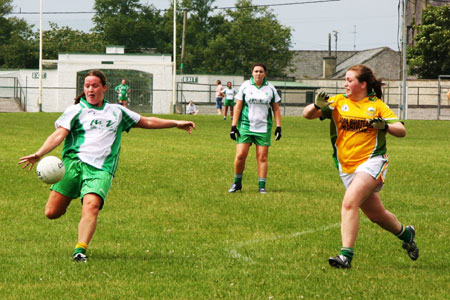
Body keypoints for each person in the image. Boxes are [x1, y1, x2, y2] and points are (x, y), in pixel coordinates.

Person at [18, 70, 196, 263]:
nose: (90, 89)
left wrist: (175, 122)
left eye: (95, 85)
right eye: (87, 86)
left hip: (101, 169)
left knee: (92, 206)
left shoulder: (117, 111)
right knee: (52, 213)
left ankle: (80, 251)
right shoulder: (75, 110)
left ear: (104, 88)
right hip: (73, 165)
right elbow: (59, 135)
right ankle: (72, 195)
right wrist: (39, 153)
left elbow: (146, 121)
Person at [303, 64, 419, 269]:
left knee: (349, 202)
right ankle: (407, 234)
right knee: (377, 215)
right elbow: (307, 115)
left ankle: (345, 256)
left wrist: (385, 126)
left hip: (373, 161)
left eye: (350, 80)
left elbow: (401, 130)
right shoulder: (338, 102)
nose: (345, 84)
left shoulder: (376, 105)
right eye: (345, 80)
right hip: (347, 167)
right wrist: (316, 105)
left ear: (363, 84)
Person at [228, 63, 282, 194]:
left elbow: (275, 108)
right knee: (240, 155)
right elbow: (238, 106)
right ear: (252, 73)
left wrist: (279, 126)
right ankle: (237, 183)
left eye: (261, 71)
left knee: (262, 157)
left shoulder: (270, 88)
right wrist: (233, 126)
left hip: (263, 127)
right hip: (246, 126)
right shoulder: (246, 86)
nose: (258, 74)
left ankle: (262, 186)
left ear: (265, 73)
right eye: (256, 71)